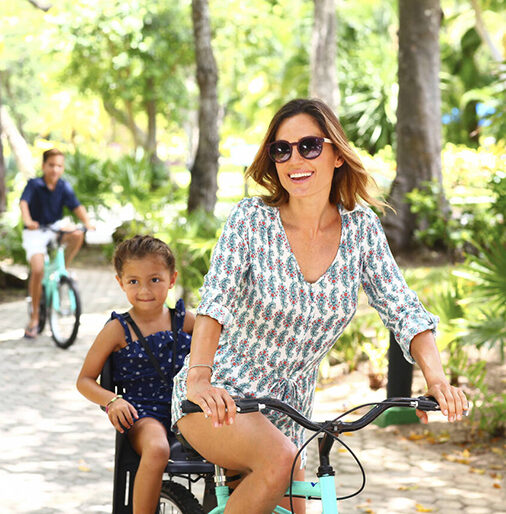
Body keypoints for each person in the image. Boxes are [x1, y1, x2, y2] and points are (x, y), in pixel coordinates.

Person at [171, 98, 469, 514]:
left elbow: (403, 309)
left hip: (291, 415)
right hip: (218, 396)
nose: (295, 158)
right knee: (279, 463)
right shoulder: (250, 220)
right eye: (282, 149)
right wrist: (199, 380)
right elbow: (215, 303)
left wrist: (435, 378)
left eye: (309, 145)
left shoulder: (361, 229)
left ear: (336, 154)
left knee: (297, 501)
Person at [76, 235, 195, 514]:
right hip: (143, 414)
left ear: (172, 278)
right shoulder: (118, 329)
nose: (145, 289)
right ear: (120, 282)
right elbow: (84, 380)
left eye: (155, 279)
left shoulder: (185, 320)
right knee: (157, 448)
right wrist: (111, 401)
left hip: (188, 409)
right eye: (133, 281)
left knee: (234, 445)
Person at [20, 148, 94, 338]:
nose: (55, 169)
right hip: (35, 231)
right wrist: (28, 220)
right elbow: (24, 203)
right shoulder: (34, 185)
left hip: (55, 228)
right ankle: (35, 317)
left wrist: (87, 222)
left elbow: (76, 206)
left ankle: (64, 270)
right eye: (51, 165)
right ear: (44, 166)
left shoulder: (63, 186)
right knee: (37, 270)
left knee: (77, 234)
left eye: (59, 166)